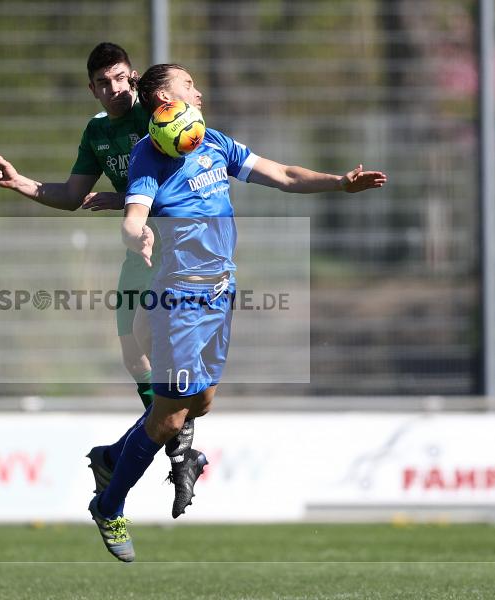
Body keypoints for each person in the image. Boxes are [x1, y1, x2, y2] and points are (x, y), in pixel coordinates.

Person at [88, 63, 387, 562]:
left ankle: (113, 457)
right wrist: (134, 233)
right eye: (188, 85)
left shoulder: (215, 144)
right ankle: (110, 503)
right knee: (166, 419)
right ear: (164, 97)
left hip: (219, 295)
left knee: (201, 402)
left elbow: (284, 175)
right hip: (179, 301)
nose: (199, 92)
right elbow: (134, 214)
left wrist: (339, 182)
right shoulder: (149, 153)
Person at [0, 44, 208, 517]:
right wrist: (21, 183)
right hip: (138, 249)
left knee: (172, 365)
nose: (114, 89)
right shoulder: (97, 131)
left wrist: (127, 198)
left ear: (133, 78)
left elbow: (186, 159)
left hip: (177, 249)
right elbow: (71, 195)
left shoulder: (157, 115)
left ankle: (171, 451)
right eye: (103, 83)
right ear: (91, 88)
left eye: (119, 78)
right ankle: (178, 450)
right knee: (134, 355)